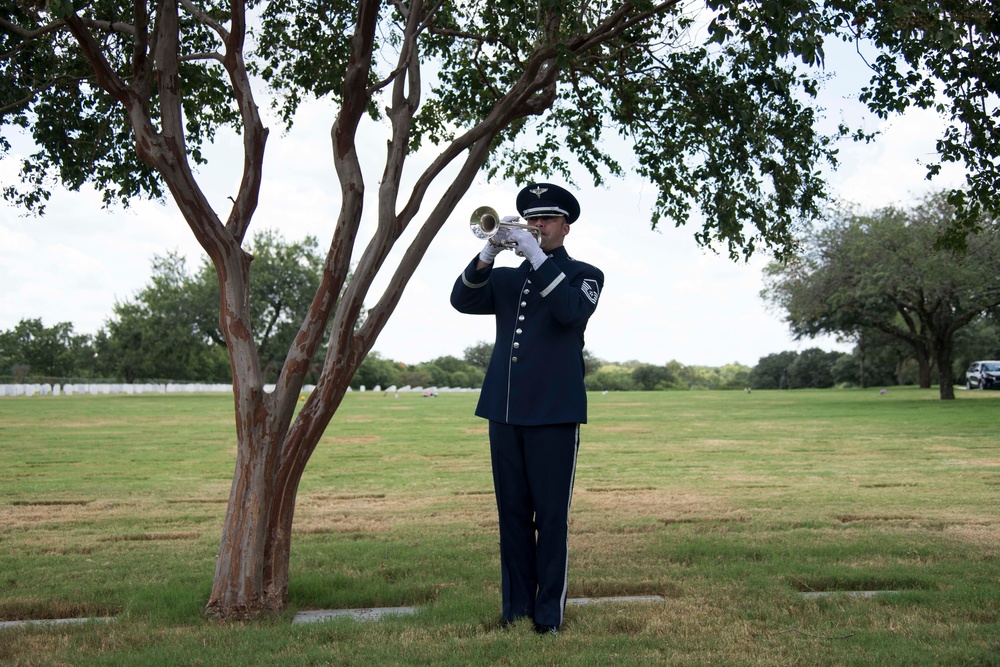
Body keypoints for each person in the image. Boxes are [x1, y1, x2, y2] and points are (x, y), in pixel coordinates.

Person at [450, 183, 604, 636]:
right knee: (512, 515)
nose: (535, 226)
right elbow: (461, 299)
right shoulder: (506, 277)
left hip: (555, 413)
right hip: (504, 410)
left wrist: (536, 256)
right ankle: (515, 609)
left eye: (546, 220)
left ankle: (548, 616)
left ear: (564, 226)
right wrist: (488, 252)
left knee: (551, 518)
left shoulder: (584, 274)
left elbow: (571, 312)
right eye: (530, 220)